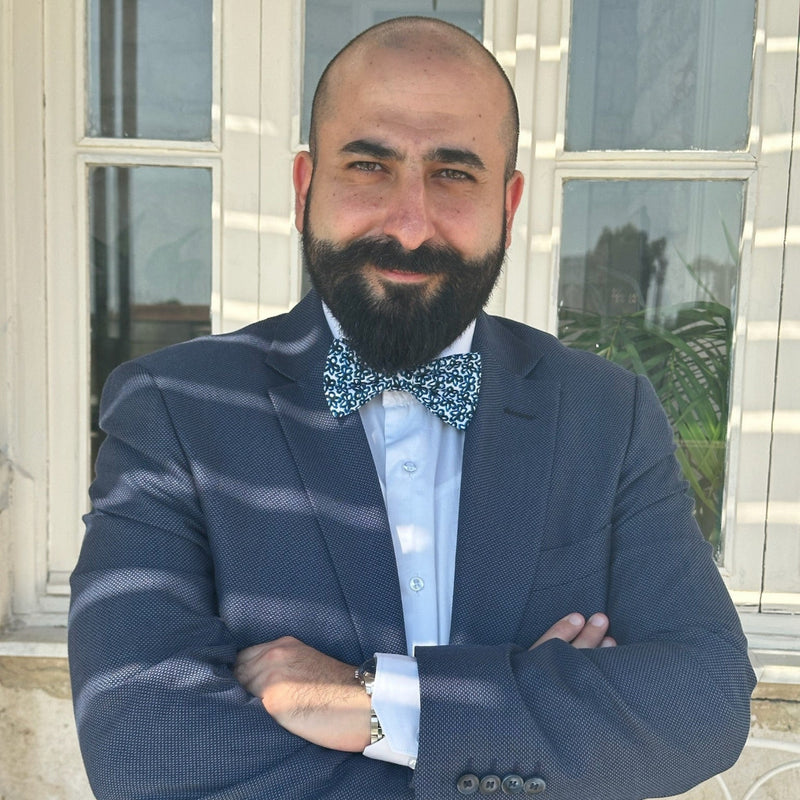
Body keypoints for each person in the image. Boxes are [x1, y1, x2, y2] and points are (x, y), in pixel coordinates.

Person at [69, 16, 755, 800]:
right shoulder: (175, 409)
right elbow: (145, 750)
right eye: (369, 165)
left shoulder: (607, 412)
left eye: (455, 173)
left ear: (510, 201)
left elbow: (704, 700)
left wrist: (377, 707)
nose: (409, 222)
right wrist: (533, 735)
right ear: (305, 187)